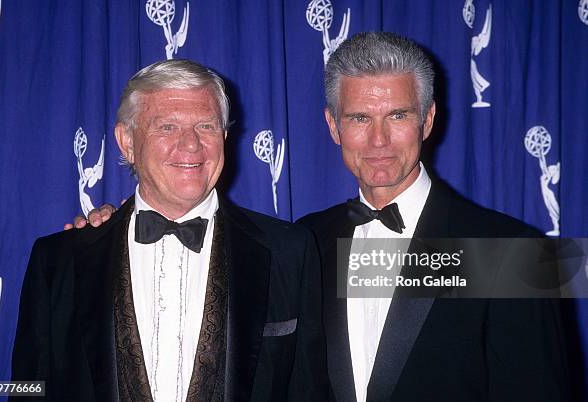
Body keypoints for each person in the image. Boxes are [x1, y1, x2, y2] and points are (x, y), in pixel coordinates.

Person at [74, 34, 570, 401]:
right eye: (359, 118)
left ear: (428, 119)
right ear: (333, 126)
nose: (378, 140)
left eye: (397, 116)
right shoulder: (300, 243)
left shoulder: (513, 251)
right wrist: (110, 234)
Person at [12, 60, 327, 401]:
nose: (191, 145)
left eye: (206, 126)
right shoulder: (58, 261)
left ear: (224, 136)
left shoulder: (289, 251)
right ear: (127, 142)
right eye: (167, 127)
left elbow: (308, 389)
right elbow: (29, 391)